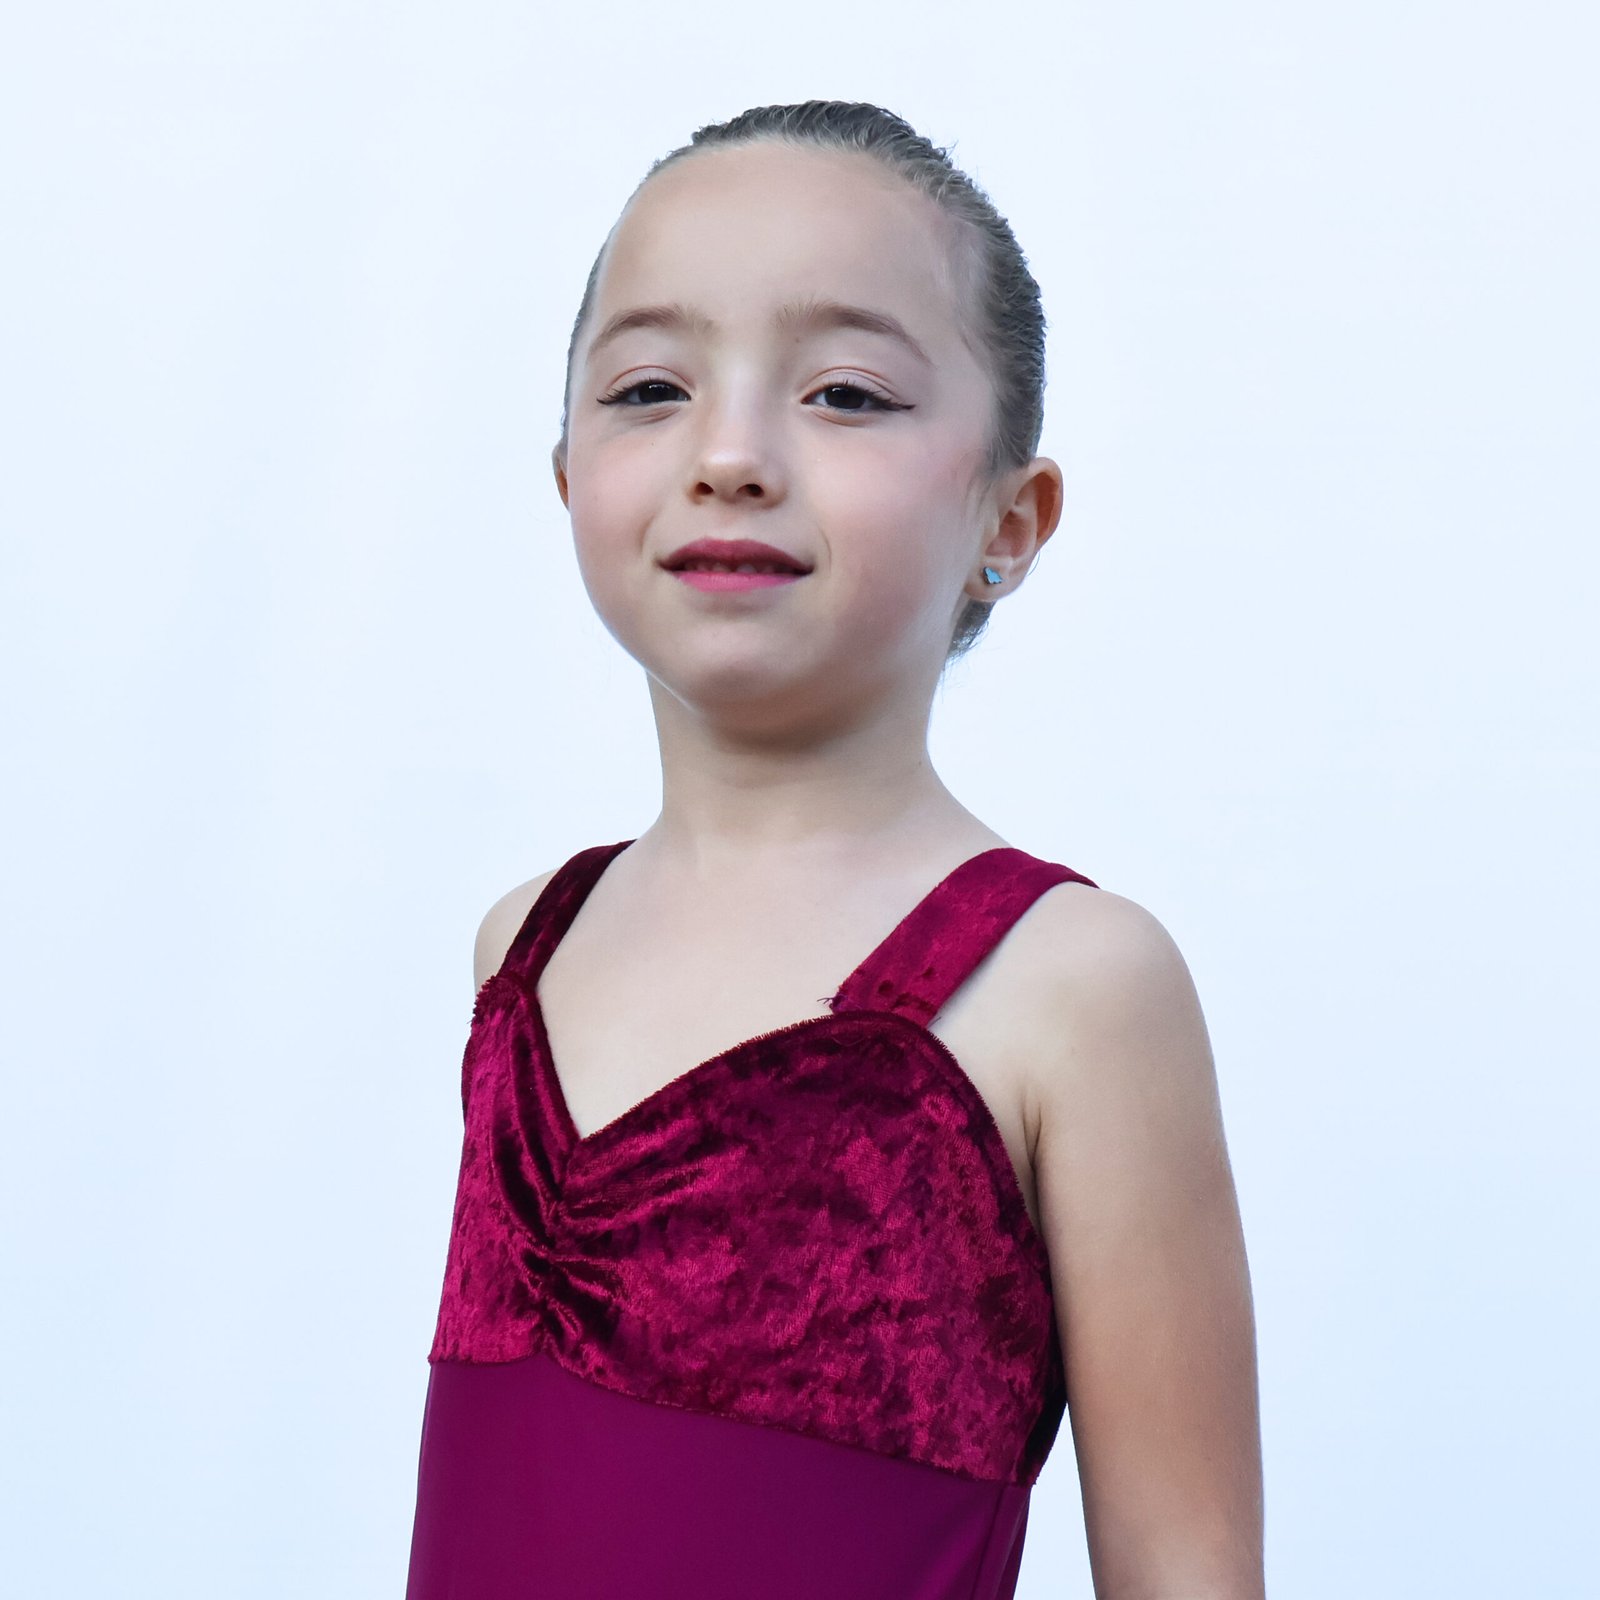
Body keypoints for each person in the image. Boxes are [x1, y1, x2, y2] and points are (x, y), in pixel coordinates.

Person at [405, 100, 1264, 1600]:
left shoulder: (1071, 986)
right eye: (652, 387)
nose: (730, 454)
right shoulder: (527, 942)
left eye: (847, 395)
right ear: (567, 479)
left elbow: (1186, 1568)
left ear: (1011, 519)